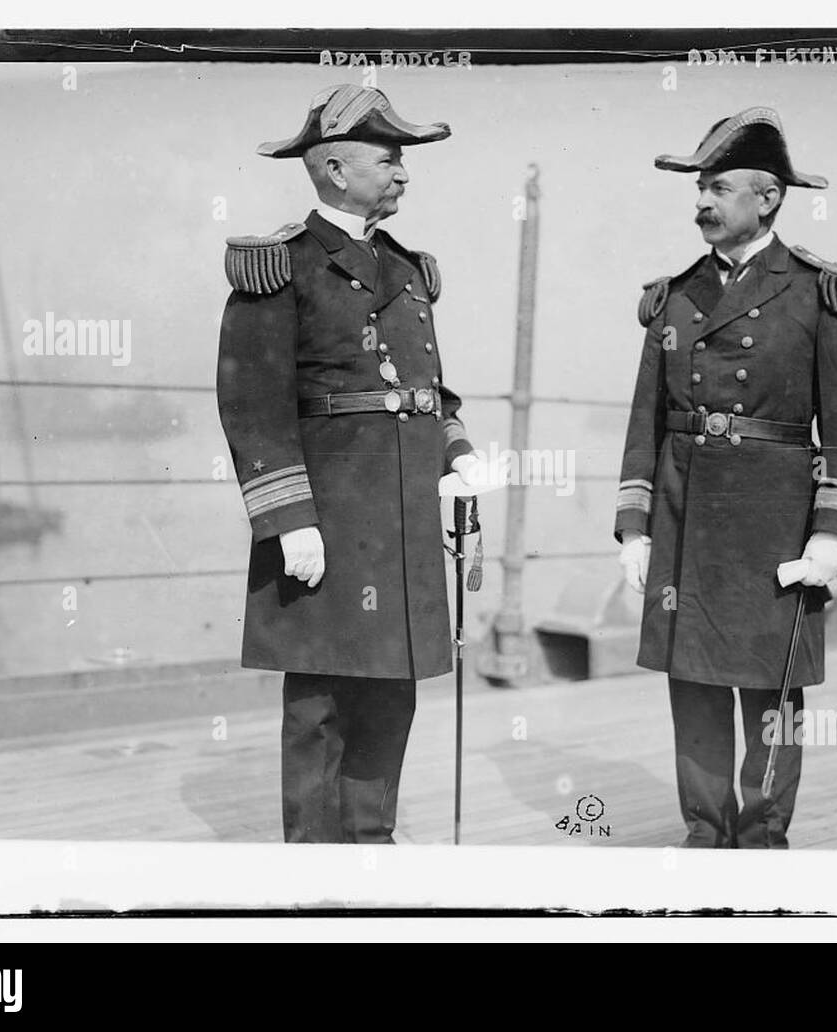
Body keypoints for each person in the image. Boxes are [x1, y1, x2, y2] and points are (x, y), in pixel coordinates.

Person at [215, 84, 489, 844]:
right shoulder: (281, 266)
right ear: (334, 168)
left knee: (389, 690)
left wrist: (455, 455)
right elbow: (251, 406)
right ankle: (312, 865)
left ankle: (371, 847)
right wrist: (288, 521)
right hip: (328, 518)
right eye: (389, 159)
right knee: (320, 702)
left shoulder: (406, 267)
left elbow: (429, 389)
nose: (403, 173)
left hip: (401, 514)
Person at [613, 106, 837, 849]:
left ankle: (762, 840)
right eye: (700, 187)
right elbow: (645, 421)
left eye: (719, 187)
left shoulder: (820, 291)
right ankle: (704, 835)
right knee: (691, 683)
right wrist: (634, 526)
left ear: (767, 199)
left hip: (775, 519)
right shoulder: (676, 292)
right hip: (684, 510)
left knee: (772, 689)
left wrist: (833, 536)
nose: (702, 201)